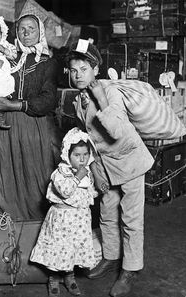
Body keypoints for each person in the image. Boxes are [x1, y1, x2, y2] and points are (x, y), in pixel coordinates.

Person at [65, 41, 155, 297]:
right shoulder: (78, 100)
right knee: (106, 212)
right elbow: (89, 141)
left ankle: (131, 269)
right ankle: (112, 257)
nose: (78, 74)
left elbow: (115, 130)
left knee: (131, 219)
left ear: (95, 68)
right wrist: (95, 172)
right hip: (106, 166)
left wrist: (101, 97)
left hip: (130, 162)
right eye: (73, 70)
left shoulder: (111, 91)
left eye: (84, 68)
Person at [0, 13, 61, 222]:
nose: (26, 32)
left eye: (31, 28)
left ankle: (33, 230)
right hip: (0, 125)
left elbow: (48, 100)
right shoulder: (6, 57)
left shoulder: (49, 63)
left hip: (32, 126)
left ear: (40, 32)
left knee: (33, 181)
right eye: (21, 29)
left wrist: (14, 104)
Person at [30, 127, 99, 297]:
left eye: (85, 155)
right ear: (67, 155)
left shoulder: (87, 172)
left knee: (73, 250)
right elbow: (65, 191)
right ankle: (53, 278)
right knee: (59, 250)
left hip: (79, 220)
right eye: (77, 155)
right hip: (62, 220)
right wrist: (78, 177)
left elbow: (88, 192)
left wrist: (93, 192)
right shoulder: (60, 173)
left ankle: (70, 277)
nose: (82, 160)